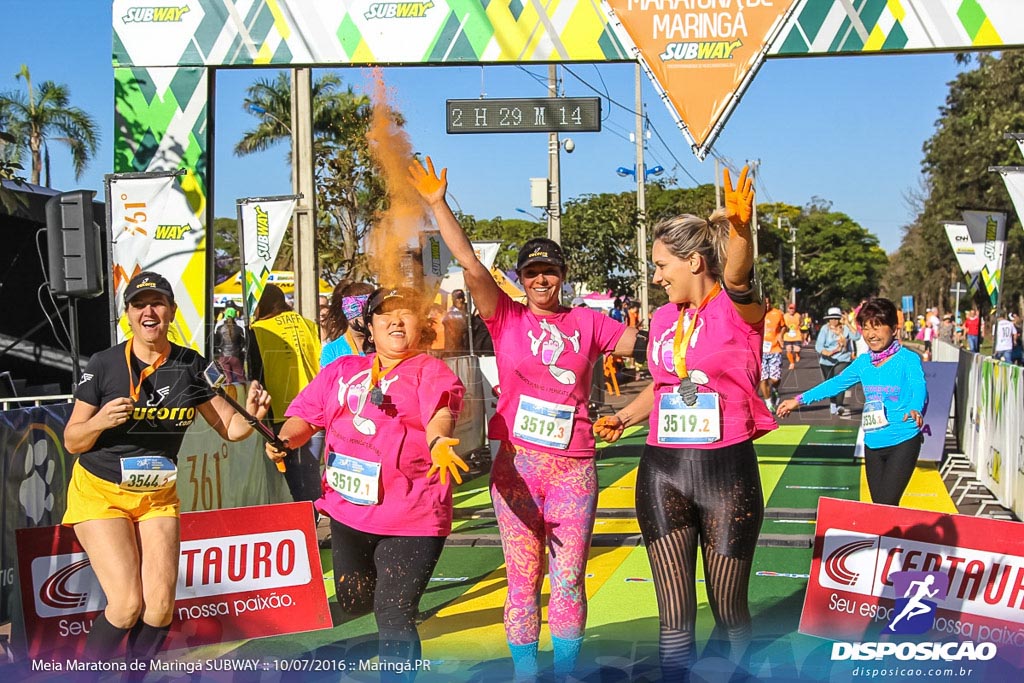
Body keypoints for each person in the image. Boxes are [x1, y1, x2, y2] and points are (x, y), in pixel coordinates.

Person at [410, 156, 638, 681]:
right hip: (516, 470)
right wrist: (438, 203)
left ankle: (565, 671)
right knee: (522, 579)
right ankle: (525, 673)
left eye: (549, 271)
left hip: (573, 470)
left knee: (570, 580)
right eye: (531, 271)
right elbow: (470, 265)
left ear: (562, 276)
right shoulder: (506, 315)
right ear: (521, 278)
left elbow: (658, 353)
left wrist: (703, 319)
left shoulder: (588, 323)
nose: (540, 279)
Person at [592, 166, 775, 680]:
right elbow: (670, 381)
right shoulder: (667, 318)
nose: (654, 277)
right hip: (662, 472)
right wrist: (624, 417)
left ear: (694, 261)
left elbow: (737, 277)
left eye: (660, 265)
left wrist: (739, 229)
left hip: (726, 474)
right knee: (674, 618)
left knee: (729, 611)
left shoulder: (741, 311)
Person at [62, 271, 272, 662]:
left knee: (159, 608)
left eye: (157, 303)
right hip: (101, 492)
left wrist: (256, 417)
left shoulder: (192, 365)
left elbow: (229, 426)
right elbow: (73, 440)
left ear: (172, 311)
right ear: (127, 314)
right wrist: (100, 421)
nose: (149, 311)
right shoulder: (105, 364)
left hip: (157, 496)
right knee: (126, 605)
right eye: (140, 305)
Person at [266, 287, 465, 678]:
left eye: (405, 312)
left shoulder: (430, 370)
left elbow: (440, 411)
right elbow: (306, 417)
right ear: (369, 327)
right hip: (347, 514)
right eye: (384, 313)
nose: (394, 319)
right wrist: (284, 441)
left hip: (412, 517)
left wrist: (439, 441)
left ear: (420, 325)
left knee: (393, 612)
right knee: (356, 602)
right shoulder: (342, 370)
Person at [777, 298, 925, 506]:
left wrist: (915, 408)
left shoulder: (908, 359)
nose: (871, 335)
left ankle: (891, 538)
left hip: (903, 438)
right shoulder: (864, 362)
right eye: (866, 328)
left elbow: (919, 386)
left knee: (886, 503)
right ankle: (891, 538)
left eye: (877, 327)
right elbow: (835, 383)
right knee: (880, 504)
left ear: (893, 329)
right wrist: (799, 400)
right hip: (873, 441)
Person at [248, 283, 322, 505]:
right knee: (311, 476)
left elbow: (255, 374)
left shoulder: (259, 330)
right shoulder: (309, 325)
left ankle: (310, 532)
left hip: (284, 414)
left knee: (300, 485)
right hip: (316, 409)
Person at [815, 307, 861, 417]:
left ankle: (840, 405)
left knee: (839, 380)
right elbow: (819, 346)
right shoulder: (825, 329)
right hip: (827, 361)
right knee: (830, 382)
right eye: (831, 318)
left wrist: (848, 324)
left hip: (843, 359)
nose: (834, 321)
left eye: (836, 318)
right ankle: (833, 402)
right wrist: (827, 352)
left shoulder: (845, 329)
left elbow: (857, 336)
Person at [321, 282, 375, 366]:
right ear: (346, 310)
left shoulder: (385, 344)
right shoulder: (332, 351)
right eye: (355, 307)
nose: (364, 315)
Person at [760, 298, 786, 412]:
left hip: (775, 349)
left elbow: (784, 326)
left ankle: (775, 389)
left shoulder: (777, 313)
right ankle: (768, 402)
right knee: (763, 378)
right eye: (764, 302)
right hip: (760, 351)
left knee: (775, 379)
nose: (766, 304)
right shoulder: (755, 313)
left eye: (768, 302)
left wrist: (780, 334)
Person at [213, 306, 245, 383]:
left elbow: (216, 342)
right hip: (235, 356)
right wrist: (238, 350)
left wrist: (220, 349)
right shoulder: (239, 328)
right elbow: (243, 343)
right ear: (235, 315)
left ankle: (227, 394)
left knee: (227, 380)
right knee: (240, 379)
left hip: (223, 357)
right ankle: (243, 394)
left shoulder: (219, 328)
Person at [442, 289, 469, 356]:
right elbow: (464, 326)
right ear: (453, 300)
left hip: (462, 349)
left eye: (461, 298)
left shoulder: (464, 312)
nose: (460, 300)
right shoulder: (452, 314)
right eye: (457, 298)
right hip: (453, 350)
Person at [782, 302, 803, 369]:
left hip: (796, 335)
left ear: (795, 309)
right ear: (788, 309)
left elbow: (802, 323)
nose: (791, 310)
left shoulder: (798, 315)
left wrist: (800, 326)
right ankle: (792, 363)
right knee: (788, 349)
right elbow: (782, 324)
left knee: (797, 349)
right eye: (790, 309)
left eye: (793, 309)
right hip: (787, 336)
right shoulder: (785, 316)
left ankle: (797, 355)